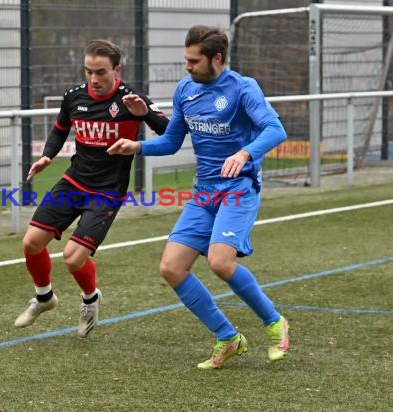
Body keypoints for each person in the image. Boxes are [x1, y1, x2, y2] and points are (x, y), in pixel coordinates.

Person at [108, 25, 290, 369]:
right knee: (171, 268)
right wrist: (138, 146)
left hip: (238, 190)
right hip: (204, 192)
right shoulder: (185, 89)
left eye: (194, 61)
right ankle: (228, 338)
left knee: (221, 262)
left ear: (216, 59)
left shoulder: (242, 88)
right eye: (186, 60)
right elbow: (172, 141)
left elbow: (275, 129)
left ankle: (274, 323)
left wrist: (244, 154)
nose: (187, 67)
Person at [15, 39, 169, 338]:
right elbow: (60, 128)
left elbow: (169, 131)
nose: (94, 79)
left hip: (107, 191)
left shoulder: (131, 98)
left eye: (101, 72)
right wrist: (47, 155)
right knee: (31, 242)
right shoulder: (74, 97)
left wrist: (143, 114)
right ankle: (44, 297)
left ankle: (90, 299)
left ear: (117, 70)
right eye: (89, 72)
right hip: (75, 180)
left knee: (73, 258)